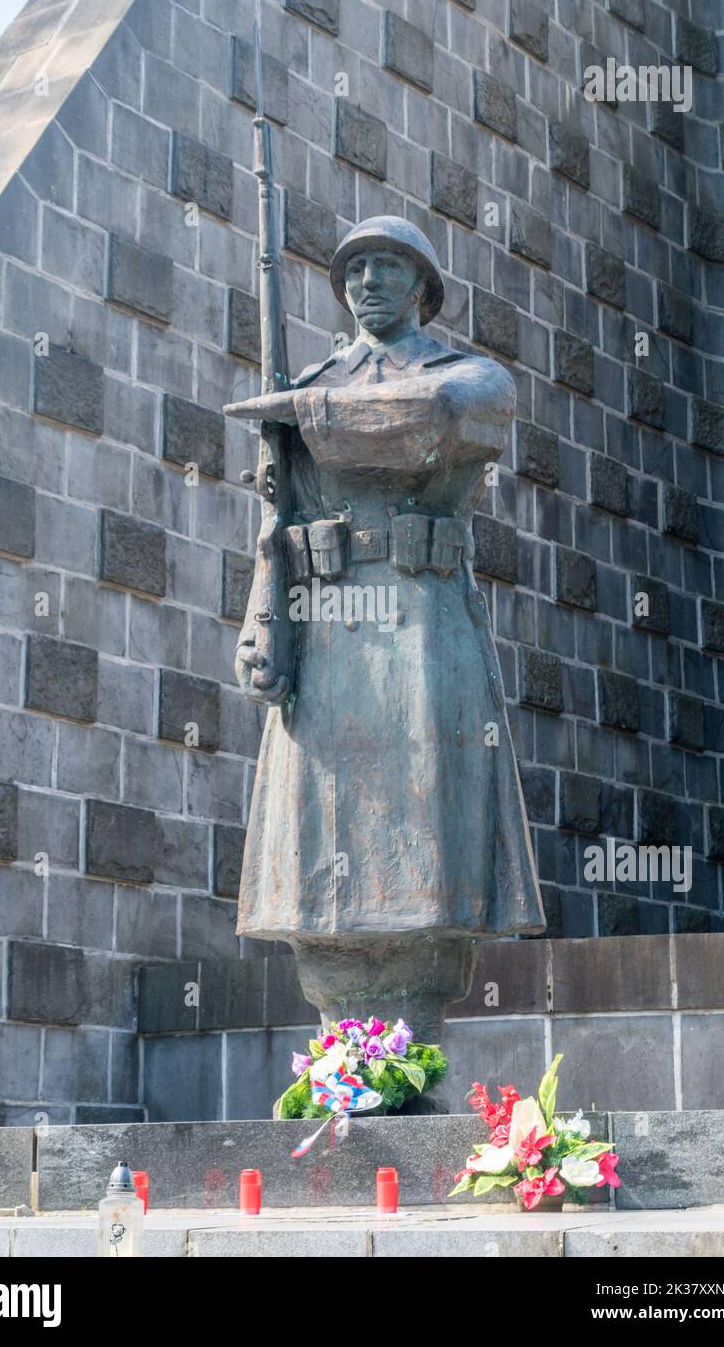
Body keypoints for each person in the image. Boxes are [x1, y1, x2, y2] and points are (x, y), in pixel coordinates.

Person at [224, 217, 544, 1042]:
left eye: (388, 265)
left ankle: (405, 1054)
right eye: (354, 267)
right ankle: (345, 1059)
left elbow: (430, 418)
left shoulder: (468, 374)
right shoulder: (305, 381)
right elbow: (276, 525)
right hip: (324, 625)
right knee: (319, 858)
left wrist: (303, 409)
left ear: (422, 286)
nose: (368, 280)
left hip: (419, 628)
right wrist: (264, 625)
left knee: (423, 852)